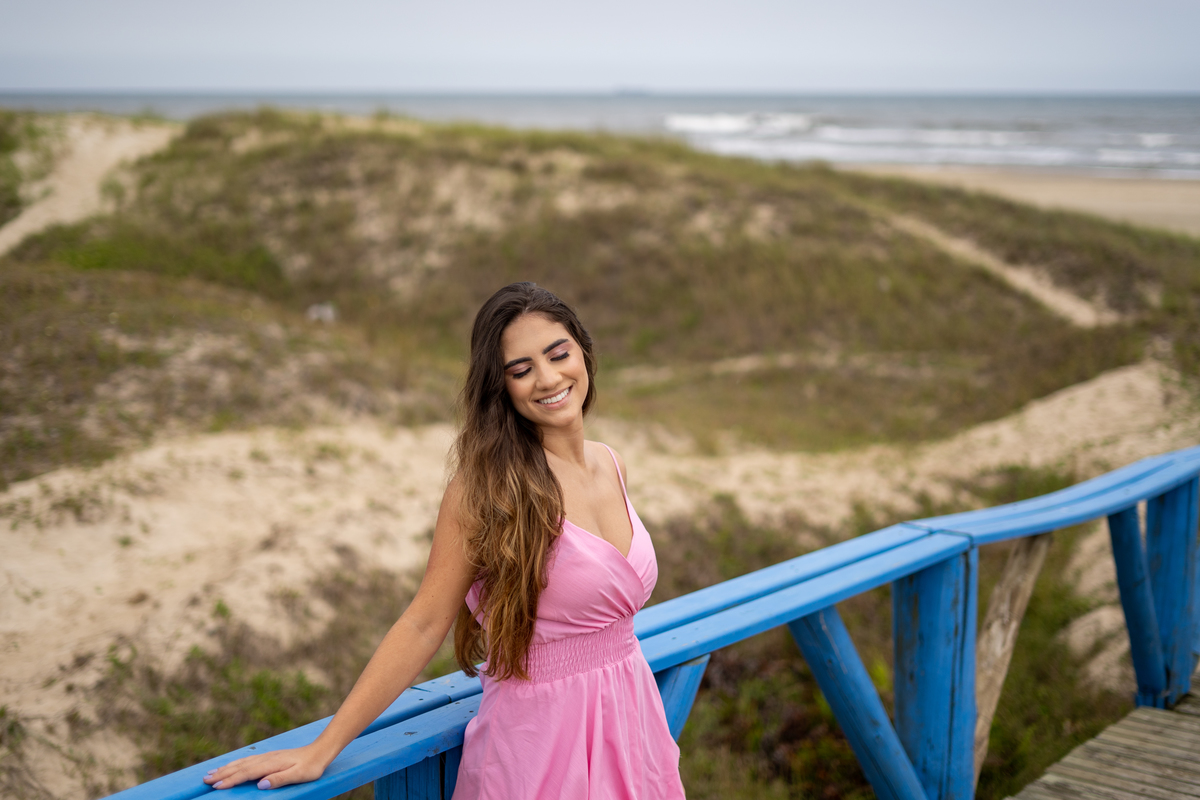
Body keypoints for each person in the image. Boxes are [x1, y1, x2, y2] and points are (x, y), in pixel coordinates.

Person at [203, 282, 686, 798]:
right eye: (521, 369)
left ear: (583, 351)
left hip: (631, 725)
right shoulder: (487, 490)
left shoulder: (611, 463)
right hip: (542, 741)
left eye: (558, 353)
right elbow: (423, 622)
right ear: (501, 388)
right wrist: (323, 747)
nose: (548, 378)